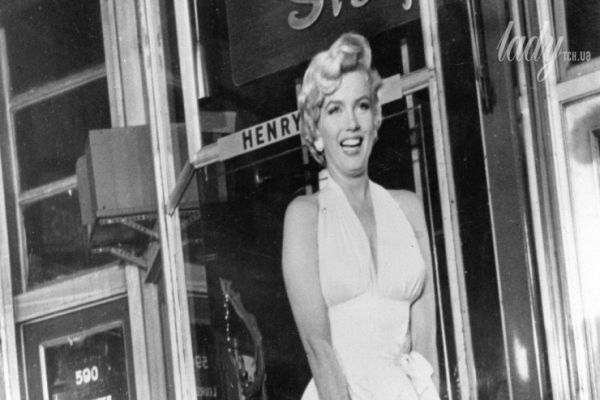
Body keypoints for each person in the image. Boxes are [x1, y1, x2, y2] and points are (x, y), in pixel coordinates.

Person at [282, 32, 440, 400]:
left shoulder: (408, 207)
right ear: (316, 130)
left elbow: (427, 342)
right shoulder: (304, 217)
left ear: (374, 118)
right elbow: (318, 348)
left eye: (362, 106)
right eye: (335, 110)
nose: (352, 123)